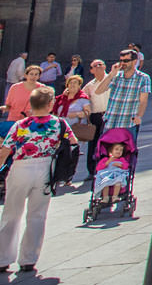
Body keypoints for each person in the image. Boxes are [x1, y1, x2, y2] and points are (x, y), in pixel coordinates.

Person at [0, 86, 77, 274]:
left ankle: (3, 258)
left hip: (20, 168)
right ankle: (28, 259)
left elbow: (5, 149)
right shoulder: (59, 124)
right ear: (51, 104)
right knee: (37, 215)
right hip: (46, 168)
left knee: (11, 213)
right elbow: (73, 143)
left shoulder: (20, 125)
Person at [101, 50, 150, 141]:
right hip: (111, 121)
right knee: (105, 153)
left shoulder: (143, 78)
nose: (123, 63)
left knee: (126, 153)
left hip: (128, 123)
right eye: (121, 60)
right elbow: (99, 91)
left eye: (126, 61)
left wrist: (139, 116)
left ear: (135, 61)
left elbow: (143, 100)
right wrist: (111, 74)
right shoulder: (116, 76)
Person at [93, 138, 132, 207]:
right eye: (116, 149)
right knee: (105, 182)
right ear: (110, 152)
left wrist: (121, 165)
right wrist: (108, 162)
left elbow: (126, 167)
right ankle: (105, 198)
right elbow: (98, 168)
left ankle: (115, 196)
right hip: (107, 175)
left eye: (121, 150)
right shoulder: (105, 159)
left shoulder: (122, 160)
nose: (119, 151)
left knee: (118, 181)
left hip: (117, 175)